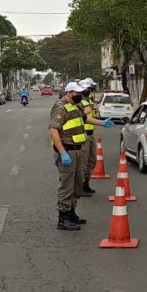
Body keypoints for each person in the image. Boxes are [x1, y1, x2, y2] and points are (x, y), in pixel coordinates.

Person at [49, 81, 90, 231]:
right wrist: (62, 153)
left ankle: (72, 213)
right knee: (67, 186)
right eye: (77, 93)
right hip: (68, 151)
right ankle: (63, 218)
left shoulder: (75, 106)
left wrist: (102, 122)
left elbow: (85, 120)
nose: (80, 95)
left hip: (78, 151)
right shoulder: (60, 107)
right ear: (69, 93)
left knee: (78, 184)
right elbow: (53, 131)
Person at [76, 78, 114, 194]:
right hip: (83, 135)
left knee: (91, 161)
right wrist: (90, 108)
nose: (90, 90)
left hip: (90, 134)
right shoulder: (79, 102)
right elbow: (84, 114)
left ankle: (86, 184)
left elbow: (90, 114)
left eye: (91, 88)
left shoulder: (88, 101)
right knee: (83, 162)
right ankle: (80, 186)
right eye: (89, 88)